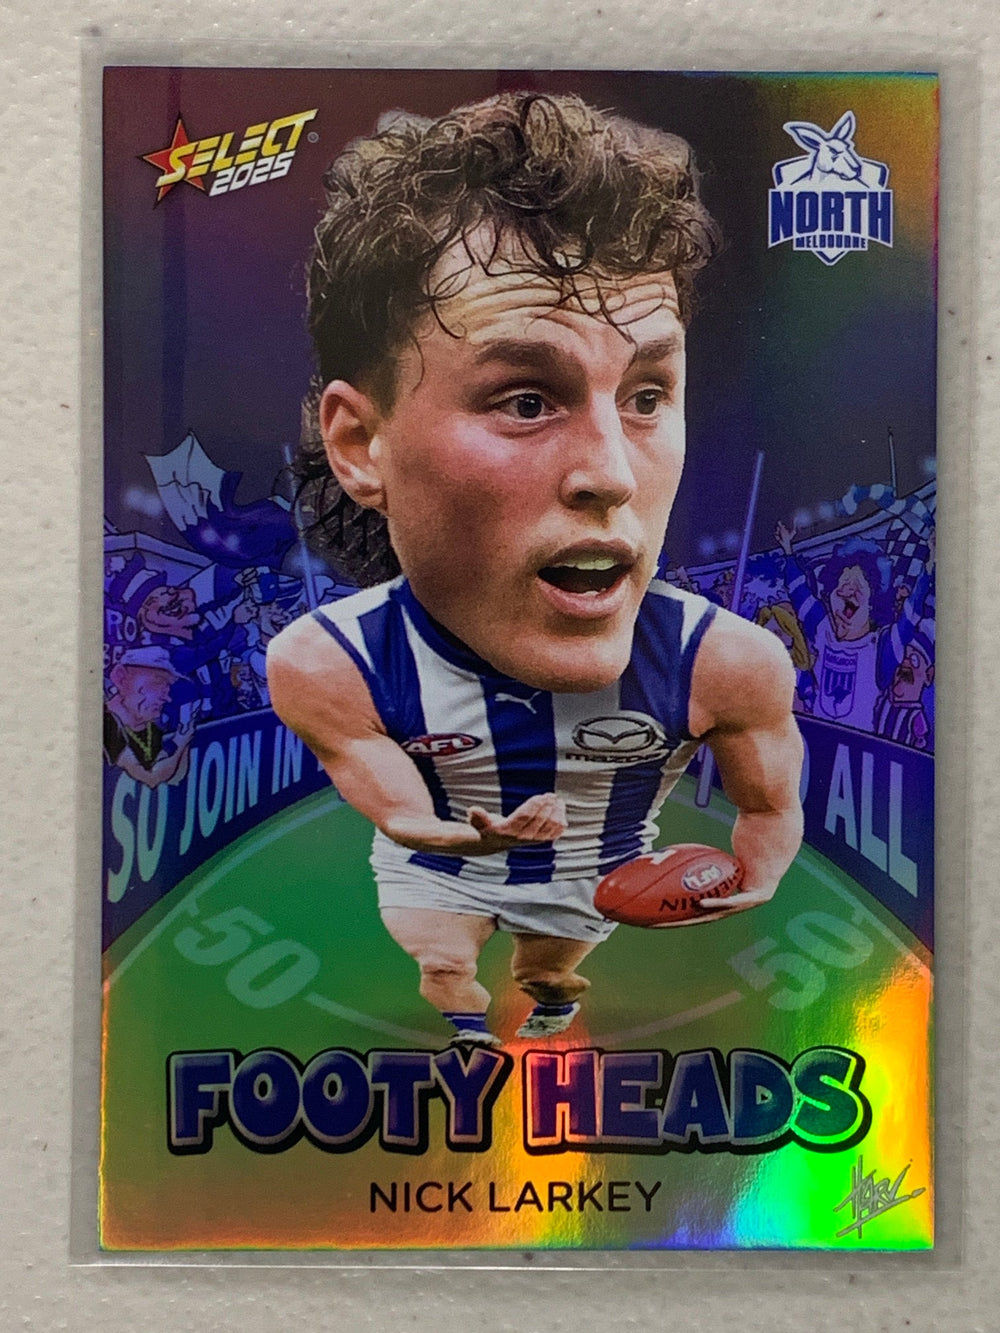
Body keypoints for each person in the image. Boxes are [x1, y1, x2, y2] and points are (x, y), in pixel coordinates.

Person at [267, 93, 804, 1047]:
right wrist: (453, 835)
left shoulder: (731, 667)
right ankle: (467, 1035)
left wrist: (755, 869)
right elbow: (392, 799)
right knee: (443, 962)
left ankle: (547, 992)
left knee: (549, 968)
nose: (611, 473)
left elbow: (769, 805)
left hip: (588, 878)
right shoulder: (327, 663)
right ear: (360, 445)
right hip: (438, 871)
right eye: (525, 400)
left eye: (647, 395)